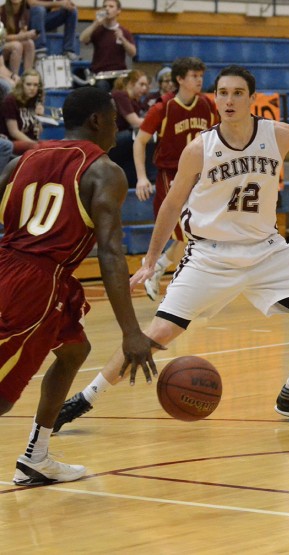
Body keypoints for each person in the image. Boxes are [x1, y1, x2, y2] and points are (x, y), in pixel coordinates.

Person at [54, 65, 289, 432]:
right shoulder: (200, 148)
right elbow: (172, 204)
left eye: (238, 93)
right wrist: (152, 260)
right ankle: (84, 400)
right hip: (210, 254)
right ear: (216, 98)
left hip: (267, 250)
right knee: (157, 333)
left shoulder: (279, 135)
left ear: (251, 98)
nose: (229, 100)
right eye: (222, 93)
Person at [0, 86, 160, 486]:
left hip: (12, 265)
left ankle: (36, 455)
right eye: (113, 120)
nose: (116, 128)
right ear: (96, 121)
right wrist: (131, 332)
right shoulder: (104, 171)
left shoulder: (23, 159)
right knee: (2, 393)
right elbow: (109, 253)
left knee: (75, 351)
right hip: (34, 283)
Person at [134, 56, 218, 302]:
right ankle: (157, 265)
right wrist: (141, 177)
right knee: (185, 231)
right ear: (180, 79)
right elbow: (140, 142)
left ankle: (159, 265)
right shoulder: (163, 107)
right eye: (194, 76)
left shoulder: (207, 105)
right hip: (171, 174)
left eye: (201, 76)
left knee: (198, 233)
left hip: (200, 175)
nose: (199, 80)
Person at [109, 69, 155, 186]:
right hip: (111, 140)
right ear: (131, 83)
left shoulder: (135, 102)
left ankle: (135, 180)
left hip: (122, 140)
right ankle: (151, 177)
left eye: (146, 86)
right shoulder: (120, 95)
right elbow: (135, 122)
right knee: (145, 136)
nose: (144, 89)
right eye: (141, 84)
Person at [79, 0, 136, 92]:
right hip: (100, 75)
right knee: (101, 88)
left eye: (111, 6)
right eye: (105, 6)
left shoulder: (124, 31)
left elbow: (133, 53)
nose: (107, 9)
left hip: (119, 75)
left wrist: (122, 39)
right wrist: (95, 23)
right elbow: (82, 39)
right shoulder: (98, 29)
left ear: (118, 11)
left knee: (124, 91)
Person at [0, 68, 44, 154]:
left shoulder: (34, 101)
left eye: (35, 85)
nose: (32, 88)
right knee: (40, 148)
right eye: (28, 84)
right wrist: (34, 144)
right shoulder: (11, 100)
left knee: (50, 146)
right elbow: (14, 132)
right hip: (10, 142)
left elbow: (39, 130)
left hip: (29, 142)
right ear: (22, 85)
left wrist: (40, 117)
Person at [0, 0, 36, 75]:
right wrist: (20, 36)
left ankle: (27, 75)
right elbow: (2, 37)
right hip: (2, 45)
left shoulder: (25, 11)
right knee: (17, 45)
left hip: (14, 41)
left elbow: (23, 32)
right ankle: (14, 78)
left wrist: (28, 35)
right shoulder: (1, 10)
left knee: (30, 43)